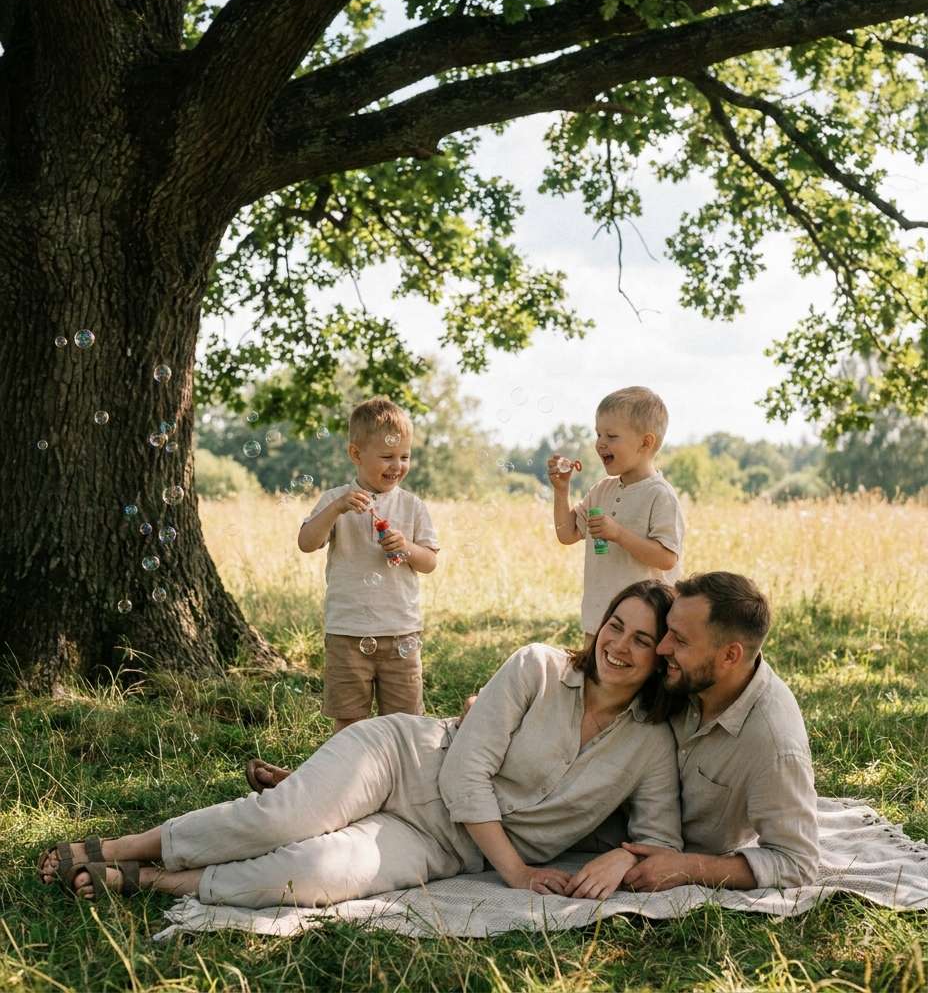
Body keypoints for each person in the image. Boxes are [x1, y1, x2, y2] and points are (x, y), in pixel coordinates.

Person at [40, 582, 684, 905]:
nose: (617, 646)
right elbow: (464, 775)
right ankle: (122, 844)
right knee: (285, 816)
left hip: (442, 846)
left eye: (639, 640)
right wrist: (515, 872)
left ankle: (150, 879)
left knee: (316, 877)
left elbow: (660, 840)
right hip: (404, 760)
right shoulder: (538, 667)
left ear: (661, 658)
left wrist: (625, 860)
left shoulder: (650, 745)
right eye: (614, 626)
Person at [621, 571, 819, 891]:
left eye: (680, 640)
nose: (662, 648)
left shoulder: (774, 744)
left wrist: (690, 868)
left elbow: (797, 862)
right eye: (667, 631)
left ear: (730, 656)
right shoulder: (679, 674)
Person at [299, 397, 438, 736]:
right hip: (347, 632)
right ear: (356, 455)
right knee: (349, 721)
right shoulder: (335, 501)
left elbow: (430, 561)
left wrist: (406, 548)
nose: (397, 466)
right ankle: (348, 781)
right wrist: (337, 509)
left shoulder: (412, 506)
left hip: (400, 631)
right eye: (388, 457)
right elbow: (307, 542)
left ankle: (401, 783)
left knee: (405, 724)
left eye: (404, 457)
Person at [549, 386, 684, 646]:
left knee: (636, 682)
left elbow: (667, 558)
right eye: (598, 433)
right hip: (599, 615)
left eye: (611, 436)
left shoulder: (659, 495)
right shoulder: (602, 490)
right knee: (594, 679)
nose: (600, 443)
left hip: (645, 624)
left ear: (646, 443)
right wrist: (561, 491)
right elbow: (567, 534)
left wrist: (619, 534)